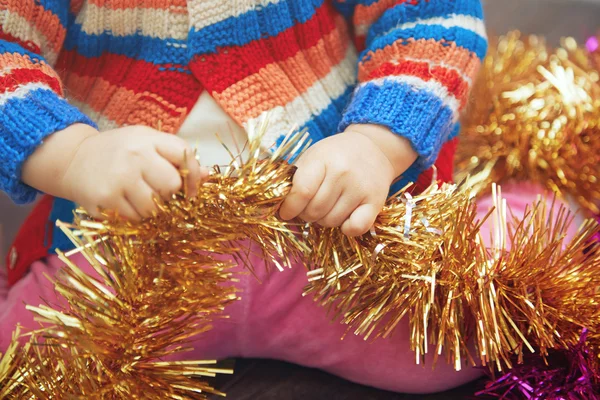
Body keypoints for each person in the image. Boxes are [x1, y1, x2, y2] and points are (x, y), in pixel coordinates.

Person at [0, 0, 495, 393]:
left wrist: (375, 144)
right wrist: (75, 155)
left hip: (325, 228)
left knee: (455, 342)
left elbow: (430, 15)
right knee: (24, 362)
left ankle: (509, 212)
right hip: (126, 246)